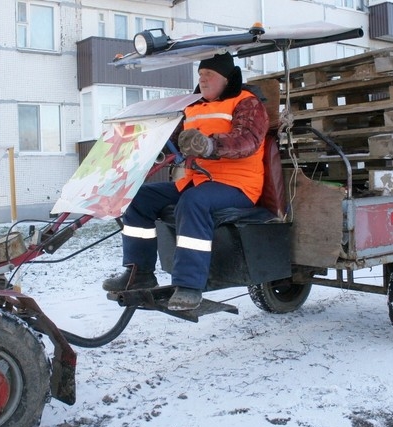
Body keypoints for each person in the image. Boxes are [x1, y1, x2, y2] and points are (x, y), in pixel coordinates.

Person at [102, 52, 269, 310]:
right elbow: (173, 140)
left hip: (238, 185)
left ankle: (190, 285)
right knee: (140, 198)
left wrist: (211, 145)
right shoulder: (192, 107)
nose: (202, 79)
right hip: (197, 182)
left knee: (193, 202)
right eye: (200, 74)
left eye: (209, 74)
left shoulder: (247, 103)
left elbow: (247, 140)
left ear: (226, 78)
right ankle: (139, 273)